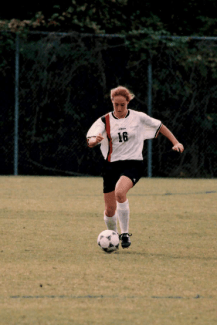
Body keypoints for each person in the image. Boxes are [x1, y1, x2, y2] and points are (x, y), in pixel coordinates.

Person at [86, 86, 184, 249]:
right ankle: (114, 237)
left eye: (122, 105)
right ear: (112, 102)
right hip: (111, 166)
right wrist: (94, 141)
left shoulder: (138, 117)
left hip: (133, 164)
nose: (118, 108)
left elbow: (160, 127)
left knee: (120, 192)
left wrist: (176, 142)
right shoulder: (104, 120)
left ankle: (124, 233)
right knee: (110, 210)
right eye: (115, 105)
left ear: (128, 103)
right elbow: (90, 140)